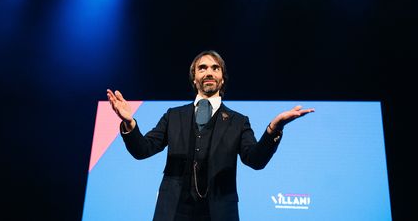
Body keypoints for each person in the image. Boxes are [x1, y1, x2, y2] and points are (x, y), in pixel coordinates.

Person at [106, 50, 314, 221]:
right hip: (173, 213)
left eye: (216, 68)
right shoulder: (173, 116)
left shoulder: (238, 121)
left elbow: (255, 160)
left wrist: (274, 129)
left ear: (222, 79)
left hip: (219, 213)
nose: (209, 72)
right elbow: (143, 149)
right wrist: (129, 122)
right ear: (194, 78)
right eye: (202, 68)